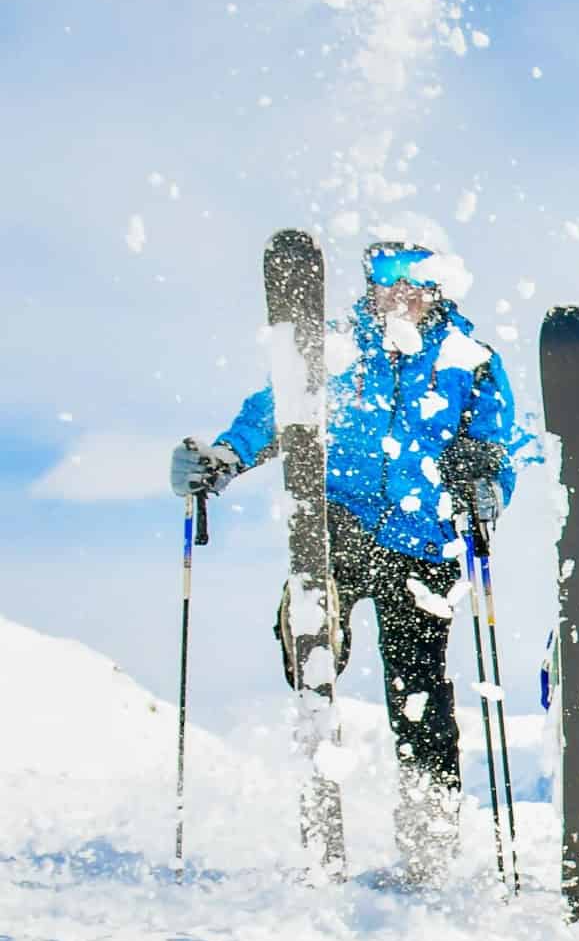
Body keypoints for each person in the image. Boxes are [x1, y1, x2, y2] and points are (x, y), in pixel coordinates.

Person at [171, 240, 527, 886]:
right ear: (369, 283)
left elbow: (504, 440)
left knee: (420, 696)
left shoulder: (470, 362)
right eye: (389, 276)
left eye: (419, 279)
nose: (403, 290)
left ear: (442, 288)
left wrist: (488, 480)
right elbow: (276, 410)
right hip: (344, 514)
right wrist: (225, 456)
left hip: (423, 538)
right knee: (326, 552)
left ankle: (428, 837)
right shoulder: (338, 348)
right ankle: (315, 612)